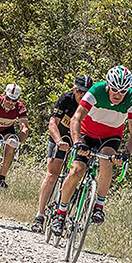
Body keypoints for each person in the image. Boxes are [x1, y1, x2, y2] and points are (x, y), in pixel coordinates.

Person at [51, 66, 132, 236]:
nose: (117, 94)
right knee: (77, 170)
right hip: (86, 134)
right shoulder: (96, 90)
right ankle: (60, 214)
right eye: (114, 89)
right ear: (107, 85)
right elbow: (76, 118)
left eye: (122, 91)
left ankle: (99, 205)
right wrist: (77, 141)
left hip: (111, 136)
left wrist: (126, 153)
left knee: (107, 160)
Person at [31, 75, 94, 233]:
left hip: (80, 140)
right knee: (52, 174)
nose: (82, 95)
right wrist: (59, 141)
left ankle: (71, 213)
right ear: (74, 90)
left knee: (78, 174)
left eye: (86, 93)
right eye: (80, 91)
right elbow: (52, 123)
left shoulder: (93, 104)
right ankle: (40, 216)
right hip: (61, 137)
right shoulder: (66, 99)